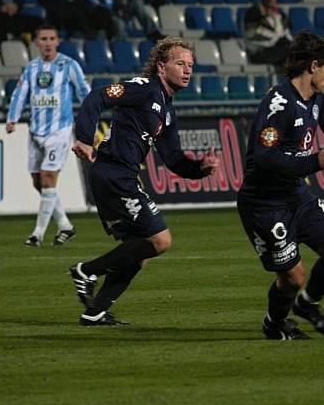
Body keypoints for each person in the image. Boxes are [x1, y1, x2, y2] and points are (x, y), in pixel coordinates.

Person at [69, 38, 220, 326]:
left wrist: (200, 167)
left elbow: (174, 159)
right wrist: (85, 138)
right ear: (162, 67)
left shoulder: (166, 108)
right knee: (160, 240)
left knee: (139, 252)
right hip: (114, 174)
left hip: (118, 176)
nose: (188, 70)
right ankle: (86, 271)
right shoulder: (144, 87)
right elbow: (97, 96)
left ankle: (95, 311)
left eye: (191, 65)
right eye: (181, 64)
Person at [237, 31, 324, 340]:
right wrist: (316, 162)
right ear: (313, 66)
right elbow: (264, 156)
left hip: (296, 194)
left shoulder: (314, 98)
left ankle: (308, 305)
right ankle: (275, 323)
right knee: (293, 277)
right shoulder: (279, 105)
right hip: (265, 203)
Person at [6, 25, 90, 247]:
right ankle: (65, 225)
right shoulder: (31, 68)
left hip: (59, 131)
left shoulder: (69, 65)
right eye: (43, 39)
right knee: (38, 182)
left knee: (47, 178)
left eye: (52, 38)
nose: (48, 42)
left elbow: (84, 93)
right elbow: (20, 94)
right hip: (36, 131)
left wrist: (91, 118)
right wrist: (12, 118)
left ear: (57, 42)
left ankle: (37, 234)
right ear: (36, 42)